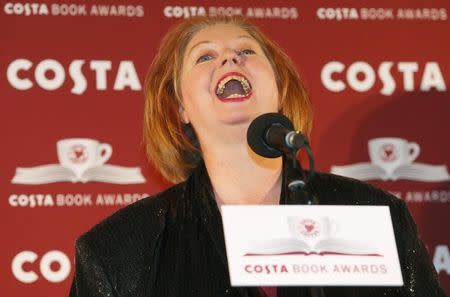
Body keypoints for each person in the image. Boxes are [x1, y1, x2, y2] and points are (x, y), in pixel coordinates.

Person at [69, 16, 445, 297]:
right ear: (180, 106)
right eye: (205, 57)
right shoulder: (119, 249)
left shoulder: (374, 214)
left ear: (280, 89)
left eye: (247, 51)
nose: (231, 59)